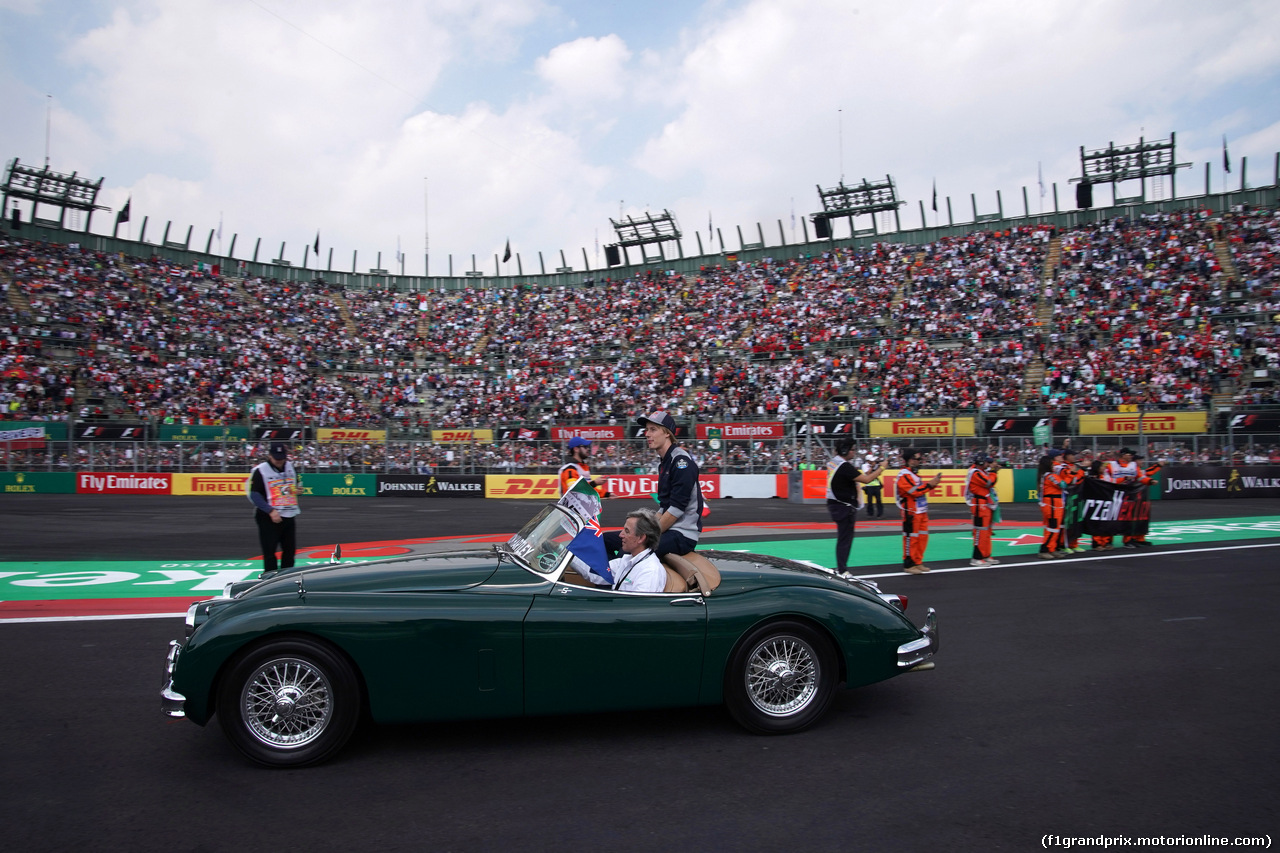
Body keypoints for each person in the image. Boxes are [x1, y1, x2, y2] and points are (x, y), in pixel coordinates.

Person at [604, 411, 703, 559]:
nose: (647, 434)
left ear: (667, 433)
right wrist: (644, 530)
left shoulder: (681, 462)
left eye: (653, 429)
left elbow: (676, 509)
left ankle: (619, 581)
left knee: (630, 550)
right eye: (647, 430)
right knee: (604, 540)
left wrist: (646, 535)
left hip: (682, 535)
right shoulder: (665, 462)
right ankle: (610, 580)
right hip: (670, 530)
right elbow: (664, 507)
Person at [826, 439, 887, 575]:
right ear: (844, 451)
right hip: (843, 506)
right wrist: (882, 468)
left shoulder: (833, 462)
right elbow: (866, 479)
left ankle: (842, 568)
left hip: (836, 504)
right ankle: (842, 569)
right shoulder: (844, 466)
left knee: (844, 538)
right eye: (852, 449)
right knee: (845, 539)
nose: (854, 452)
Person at [574, 509, 667, 592]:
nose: (620, 535)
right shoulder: (626, 561)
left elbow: (639, 608)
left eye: (627, 531)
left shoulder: (650, 571)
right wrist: (565, 553)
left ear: (641, 538)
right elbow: (594, 573)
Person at [246, 441, 300, 578]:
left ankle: (287, 578)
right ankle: (270, 579)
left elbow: (295, 485)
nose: (279, 461)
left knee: (290, 550)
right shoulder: (261, 470)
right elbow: (254, 494)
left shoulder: (290, 467)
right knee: (269, 551)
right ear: (270, 456)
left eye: (282, 458)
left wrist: (298, 489)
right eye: (276, 458)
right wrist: (270, 510)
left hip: (288, 514)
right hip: (268, 516)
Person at [895, 447, 942, 574]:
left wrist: (931, 484)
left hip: (920, 510)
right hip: (910, 511)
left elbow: (920, 490)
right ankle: (909, 564)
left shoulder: (913, 474)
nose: (919, 461)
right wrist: (930, 484)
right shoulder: (904, 475)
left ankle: (917, 562)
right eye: (917, 459)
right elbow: (914, 492)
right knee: (911, 538)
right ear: (910, 460)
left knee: (922, 537)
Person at [964, 453, 1001, 567]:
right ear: (980, 462)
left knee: (987, 531)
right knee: (980, 531)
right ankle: (976, 557)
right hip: (979, 504)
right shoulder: (975, 472)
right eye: (987, 462)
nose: (988, 464)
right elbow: (988, 482)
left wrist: (993, 472)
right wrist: (994, 472)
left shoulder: (982, 472)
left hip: (986, 503)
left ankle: (985, 555)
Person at [1054, 447, 1087, 554]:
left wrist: (1077, 474)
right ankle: (1064, 544)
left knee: (1076, 521)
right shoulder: (1062, 467)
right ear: (1066, 456)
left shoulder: (1075, 467)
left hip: (1076, 496)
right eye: (1072, 455)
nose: (1074, 457)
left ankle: (1074, 544)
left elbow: (1080, 478)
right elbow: (1069, 481)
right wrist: (1076, 474)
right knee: (1066, 522)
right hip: (1067, 497)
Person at [1038, 449, 1067, 559]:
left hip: (1054, 504)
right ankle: (1044, 549)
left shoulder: (1049, 475)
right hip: (1052, 505)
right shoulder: (1050, 476)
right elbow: (1063, 484)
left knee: (1054, 528)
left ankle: (1051, 548)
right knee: (1052, 527)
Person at [861, 453, 885, 518]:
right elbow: (868, 473)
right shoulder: (864, 465)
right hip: (869, 485)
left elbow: (878, 474)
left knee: (879, 500)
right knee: (869, 501)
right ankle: (870, 514)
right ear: (868, 461)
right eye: (871, 461)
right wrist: (872, 467)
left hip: (876, 484)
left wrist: (878, 467)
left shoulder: (875, 465)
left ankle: (880, 514)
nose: (873, 462)